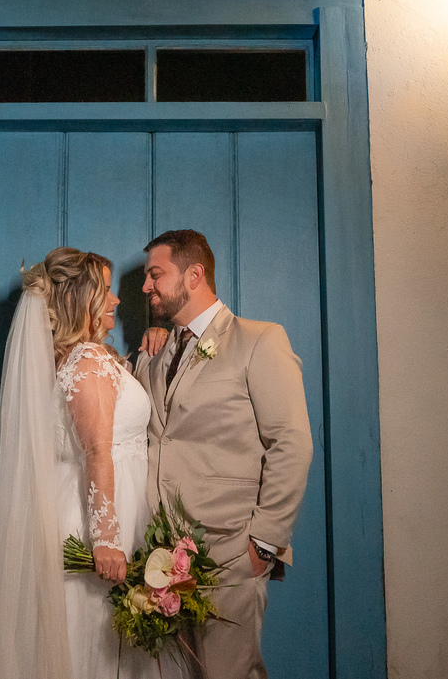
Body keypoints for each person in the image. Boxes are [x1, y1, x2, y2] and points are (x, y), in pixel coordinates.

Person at [0, 247, 174, 679]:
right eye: (107, 291)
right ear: (82, 299)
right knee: (90, 649)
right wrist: (106, 540)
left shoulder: (91, 356)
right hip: (97, 523)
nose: (117, 300)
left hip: (105, 509)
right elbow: (96, 450)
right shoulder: (88, 361)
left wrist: (155, 339)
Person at [135, 230, 313, 679]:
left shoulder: (259, 340)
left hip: (230, 553)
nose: (145, 287)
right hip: (159, 561)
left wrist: (263, 545)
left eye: (156, 274)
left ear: (195, 275)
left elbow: (292, 443)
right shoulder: (154, 350)